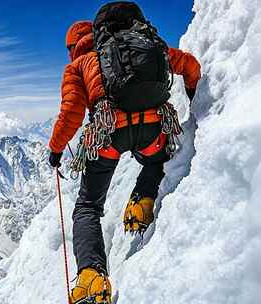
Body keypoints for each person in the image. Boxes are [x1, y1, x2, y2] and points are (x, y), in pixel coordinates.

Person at [48, 2, 201, 303]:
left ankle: (92, 278)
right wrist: (195, 95)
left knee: (88, 207)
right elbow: (190, 65)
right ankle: (143, 200)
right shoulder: (144, 47)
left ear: (72, 47)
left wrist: (55, 151)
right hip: (152, 127)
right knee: (156, 160)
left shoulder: (77, 66)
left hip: (108, 135)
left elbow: (71, 114)